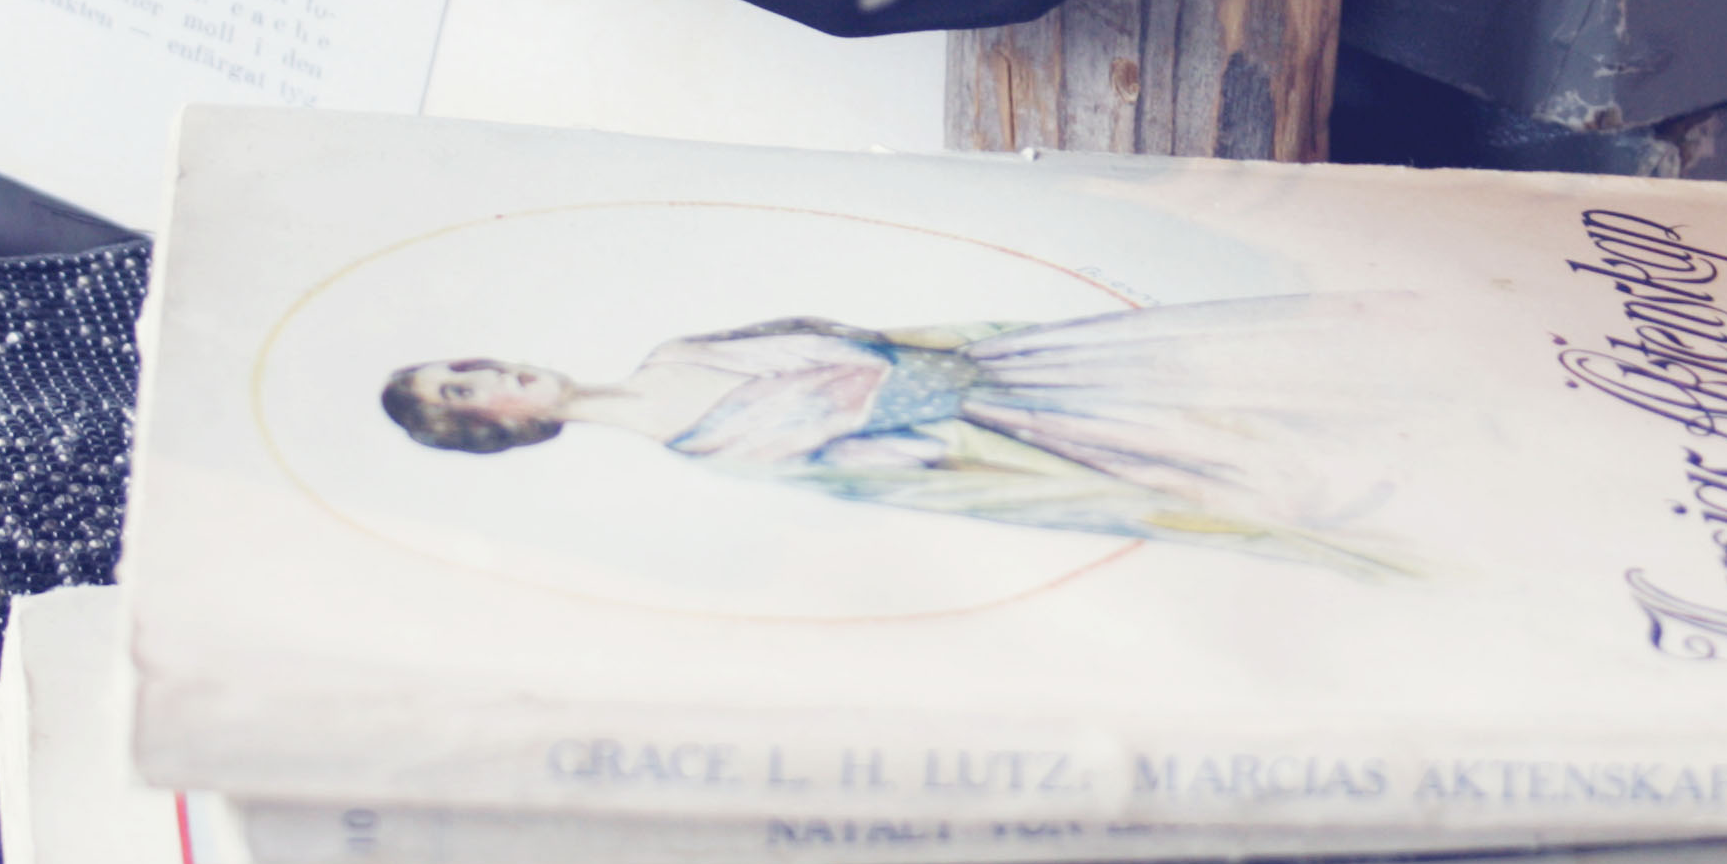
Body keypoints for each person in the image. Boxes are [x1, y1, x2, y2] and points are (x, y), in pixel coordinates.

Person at [382, 299, 1418, 577]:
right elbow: (879, 446)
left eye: (471, 364)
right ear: (494, 431)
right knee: (1223, 466)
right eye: (468, 395)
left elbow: (853, 341)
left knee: (1245, 379)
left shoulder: (671, 354)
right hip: (995, 428)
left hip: (1014, 368)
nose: (494, 376)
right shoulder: (695, 445)